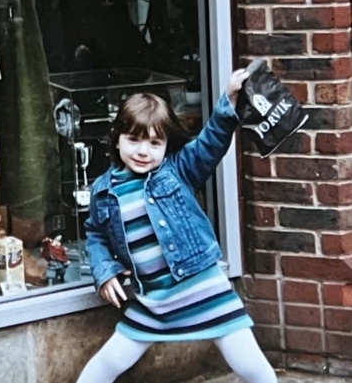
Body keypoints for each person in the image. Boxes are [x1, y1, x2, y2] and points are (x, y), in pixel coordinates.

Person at [78, 69, 278, 383]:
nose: (143, 151)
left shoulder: (177, 171)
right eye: (134, 140)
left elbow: (210, 143)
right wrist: (104, 271)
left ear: (167, 146)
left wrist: (229, 101)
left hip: (204, 288)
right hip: (153, 299)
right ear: (116, 138)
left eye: (155, 143)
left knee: (250, 364)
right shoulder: (104, 190)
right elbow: (95, 234)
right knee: (108, 362)